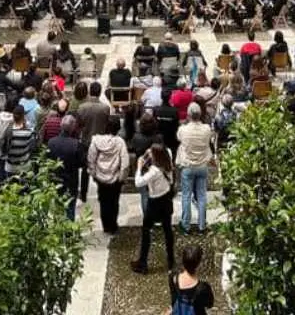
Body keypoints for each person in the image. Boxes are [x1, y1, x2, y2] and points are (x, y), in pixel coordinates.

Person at [131, 142, 176, 275]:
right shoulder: (168, 162)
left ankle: (143, 262)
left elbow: (138, 182)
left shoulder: (154, 171)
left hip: (154, 202)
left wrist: (139, 167)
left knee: (146, 231)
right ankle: (171, 260)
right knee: (167, 230)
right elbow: (167, 149)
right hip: (166, 199)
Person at [176, 103, 213, 235]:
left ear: (188, 115)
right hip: (202, 165)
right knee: (202, 196)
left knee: (186, 196)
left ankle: (185, 225)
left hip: (188, 165)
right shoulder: (207, 129)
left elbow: (179, 138)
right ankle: (202, 226)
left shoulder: (183, 129)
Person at [89, 117, 129, 234]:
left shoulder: (96, 141)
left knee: (103, 201)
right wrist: (122, 176)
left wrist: (93, 173)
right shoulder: (120, 142)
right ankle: (113, 225)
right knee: (114, 202)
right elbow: (125, 162)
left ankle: (106, 226)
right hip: (115, 177)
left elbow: (91, 159)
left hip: (100, 176)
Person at [76, 82, 111, 203]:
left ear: (90, 91)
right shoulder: (105, 108)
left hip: (86, 141)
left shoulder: (82, 108)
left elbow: (78, 125)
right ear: (100, 92)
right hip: (100, 141)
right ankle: (102, 194)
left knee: (86, 170)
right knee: (101, 168)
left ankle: (83, 194)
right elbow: (107, 125)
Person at [46, 115, 85, 220]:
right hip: (71, 181)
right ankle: (69, 232)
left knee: (57, 207)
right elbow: (82, 163)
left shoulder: (51, 142)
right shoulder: (76, 144)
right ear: (72, 127)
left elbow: (47, 160)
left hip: (56, 180)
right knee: (70, 208)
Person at [169, 244, 216, 315]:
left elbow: (174, 300)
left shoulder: (173, 278)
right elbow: (209, 304)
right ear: (199, 263)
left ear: (183, 260)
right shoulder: (203, 287)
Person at [1, 105, 38, 180]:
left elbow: (3, 148)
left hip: (10, 166)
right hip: (24, 166)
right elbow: (33, 145)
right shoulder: (28, 132)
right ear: (23, 116)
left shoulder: (7, 131)